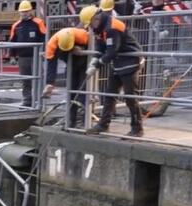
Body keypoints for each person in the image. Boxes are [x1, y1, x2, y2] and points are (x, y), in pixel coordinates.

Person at [82, 3, 144, 136]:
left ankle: (137, 128)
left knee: (130, 97)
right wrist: (94, 59)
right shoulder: (100, 28)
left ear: (95, 19)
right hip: (118, 63)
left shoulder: (112, 28)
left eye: (90, 24)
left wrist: (97, 65)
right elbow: (100, 47)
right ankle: (103, 125)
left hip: (130, 63)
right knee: (109, 95)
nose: (90, 28)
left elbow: (111, 51)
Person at [42, 27, 91, 128]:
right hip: (70, 64)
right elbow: (51, 65)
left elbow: (96, 47)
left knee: (83, 91)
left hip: (84, 63)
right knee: (71, 91)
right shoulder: (52, 44)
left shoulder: (82, 36)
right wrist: (50, 83)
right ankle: (70, 120)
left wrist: (83, 50)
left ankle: (84, 121)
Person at [8, 1, 46, 107]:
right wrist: (12, 56)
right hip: (23, 57)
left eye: (26, 11)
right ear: (19, 13)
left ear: (31, 11)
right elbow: (12, 41)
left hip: (36, 56)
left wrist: (43, 51)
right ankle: (27, 100)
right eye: (22, 12)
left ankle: (39, 101)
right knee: (25, 80)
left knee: (38, 79)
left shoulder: (38, 22)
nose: (24, 13)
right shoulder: (16, 25)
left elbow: (44, 37)